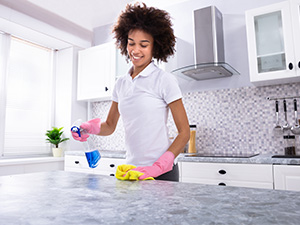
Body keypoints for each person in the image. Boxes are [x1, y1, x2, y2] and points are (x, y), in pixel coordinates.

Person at [72, 3, 190, 182]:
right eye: (131, 43)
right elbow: (110, 125)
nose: (135, 50)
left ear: (155, 47)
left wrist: (162, 164)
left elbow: (184, 132)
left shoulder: (164, 80)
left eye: (144, 45)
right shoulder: (121, 83)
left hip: (162, 172)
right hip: (132, 170)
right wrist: (91, 128)